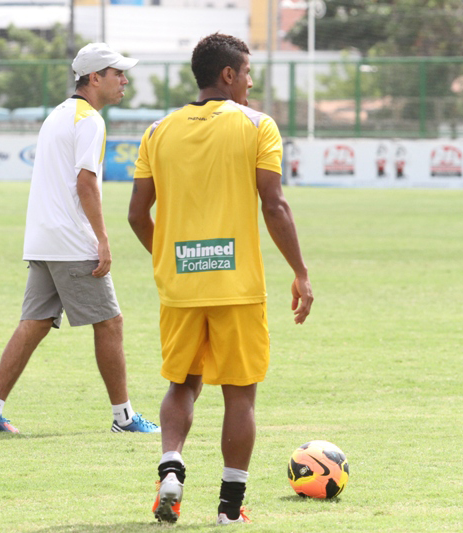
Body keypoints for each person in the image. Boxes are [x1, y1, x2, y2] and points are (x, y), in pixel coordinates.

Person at [128, 33, 313, 524]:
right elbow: (273, 204)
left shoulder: (157, 130)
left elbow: (135, 214)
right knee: (240, 393)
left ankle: (171, 466)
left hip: (181, 285)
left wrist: (168, 259)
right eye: (248, 72)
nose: (251, 82)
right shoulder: (258, 126)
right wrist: (300, 272)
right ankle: (229, 509)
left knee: (182, 384)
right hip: (237, 287)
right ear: (228, 75)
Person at [0, 43, 158, 435]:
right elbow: (85, 183)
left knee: (34, 324)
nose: (124, 80)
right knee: (110, 323)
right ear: (94, 78)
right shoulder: (89, 120)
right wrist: (102, 240)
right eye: (116, 73)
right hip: (72, 242)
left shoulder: (59, 114)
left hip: (43, 239)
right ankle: (124, 418)